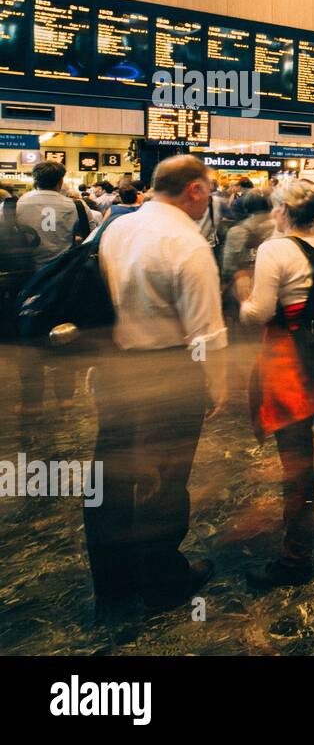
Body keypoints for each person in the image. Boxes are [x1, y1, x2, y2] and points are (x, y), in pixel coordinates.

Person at [86, 155, 227, 612]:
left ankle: (112, 582)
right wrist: (213, 383)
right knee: (165, 479)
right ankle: (163, 580)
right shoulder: (187, 244)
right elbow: (204, 335)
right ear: (195, 191)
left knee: (111, 478)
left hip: (117, 369)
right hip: (171, 373)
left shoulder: (116, 229)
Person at [240, 179, 314, 588]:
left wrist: (241, 304)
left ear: (282, 211)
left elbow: (259, 313)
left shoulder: (274, 250)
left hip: (290, 369)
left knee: (296, 467)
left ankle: (295, 557)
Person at [14, 160, 95, 417]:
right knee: (64, 335)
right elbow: (90, 236)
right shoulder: (76, 205)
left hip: (26, 279)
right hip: (64, 279)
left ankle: (31, 402)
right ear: (61, 181)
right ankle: (65, 399)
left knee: (27, 340)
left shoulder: (15, 204)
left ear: (33, 179)